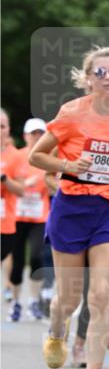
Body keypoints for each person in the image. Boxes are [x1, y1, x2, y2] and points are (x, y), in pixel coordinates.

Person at [28, 46, 109, 369]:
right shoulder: (71, 113)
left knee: (101, 295)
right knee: (69, 297)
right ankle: (56, 331)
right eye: (101, 72)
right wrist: (70, 165)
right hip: (71, 207)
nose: (108, 78)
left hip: (108, 210)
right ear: (88, 78)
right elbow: (37, 155)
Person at [8, 118, 49, 321]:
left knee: (36, 258)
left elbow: (54, 182)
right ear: (25, 136)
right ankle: (16, 302)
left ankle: (34, 301)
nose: (37, 137)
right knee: (17, 262)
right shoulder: (17, 157)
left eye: (41, 133)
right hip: (17, 215)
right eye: (33, 134)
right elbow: (7, 180)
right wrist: (23, 184)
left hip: (39, 216)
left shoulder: (48, 157)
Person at [1, 109, 26, 269]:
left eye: (2, 126)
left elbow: (21, 190)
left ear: (8, 129)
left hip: (5, 224)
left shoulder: (16, 156)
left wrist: (3, 178)